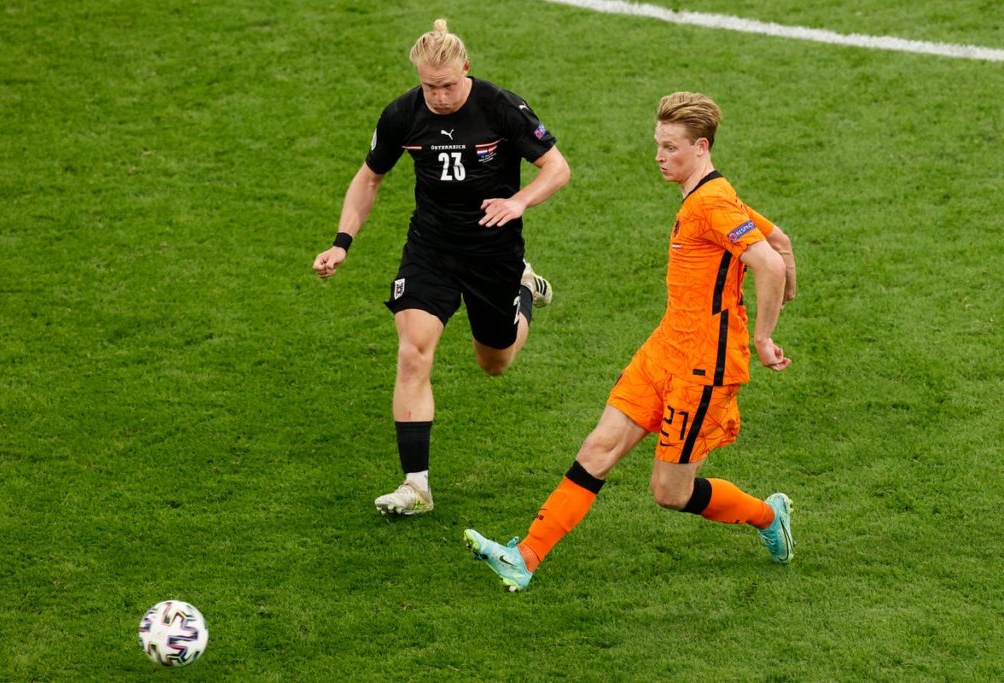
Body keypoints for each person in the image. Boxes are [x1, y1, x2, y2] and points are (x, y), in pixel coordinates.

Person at [464, 91, 798, 591]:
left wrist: (765, 336)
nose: (659, 157)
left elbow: (768, 261)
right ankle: (524, 557)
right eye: (658, 145)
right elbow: (781, 243)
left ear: (701, 147)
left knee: (670, 492)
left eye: (670, 148)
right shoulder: (711, 193)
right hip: (665, 348)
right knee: (599, 446)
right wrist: (787, 283)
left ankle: (768, 517)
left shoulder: (712, 203)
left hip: (702, 368)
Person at [313, 19, 570, 517]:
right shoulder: (403, 114)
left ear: (466, 69)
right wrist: (342, 243)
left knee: (494, 363)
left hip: (493, 252)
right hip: (430, 249)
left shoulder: (500, 106)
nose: (439, 96)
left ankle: (523, 287)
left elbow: (557, 167)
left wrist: (518, 202)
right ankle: (416, 486)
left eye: (448, 85)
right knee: (413, 352)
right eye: (430, 86)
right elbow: (369, 178)